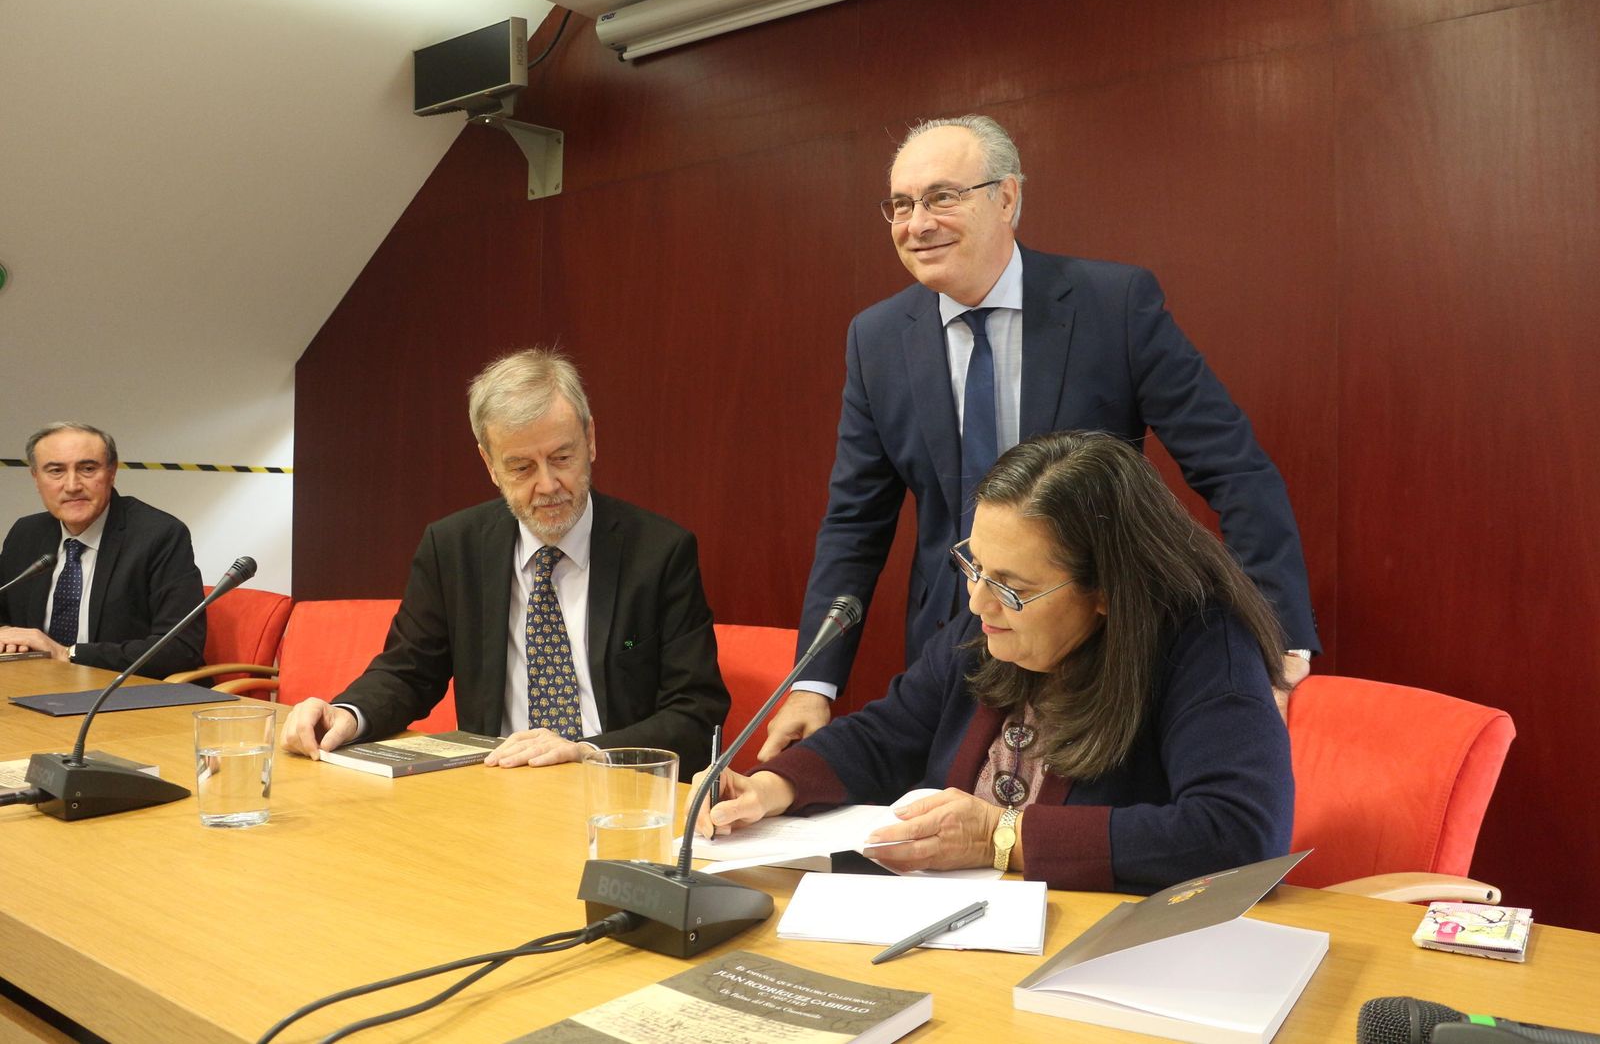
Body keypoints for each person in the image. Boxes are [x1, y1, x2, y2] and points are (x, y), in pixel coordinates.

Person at [764, 114, 1317, 760]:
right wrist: (813, 680)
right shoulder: (877, 339)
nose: (918, 223)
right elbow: (855, 522)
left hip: (1095, 647)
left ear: (1007, 197)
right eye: (902, 204)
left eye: (943, 196)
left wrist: (1276, 640)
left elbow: (1233, 468)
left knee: (1065, 839)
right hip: (952, 656)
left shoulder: (1113, 306)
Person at [704, 431, 1292, 894]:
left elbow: (1237, 831)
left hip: (1102, 955)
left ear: (1109, 589)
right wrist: (769, 788)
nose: (978, 601)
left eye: (1011, 586)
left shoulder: (1205, 647)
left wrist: (1001, 836)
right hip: (949, 921)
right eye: (973, 566)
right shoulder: (986, 617)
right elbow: (890, 733)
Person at [281, 348, 729, 775]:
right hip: (492, 788)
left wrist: (587, 752)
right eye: (521, 468)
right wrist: (345, 713)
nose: (548, 484)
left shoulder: (659, 552)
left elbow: (695, 712)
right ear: (489, 464)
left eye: (562, 457)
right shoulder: (453, 547)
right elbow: (409, 672)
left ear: (591, 440)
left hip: (610, 789)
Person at [0, 423, 204, 677]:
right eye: (56, 471)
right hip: (34, 687)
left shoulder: (159, 535)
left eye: (87, 469)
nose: (72, 485)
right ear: (36, 478)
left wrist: (67, 653)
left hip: (124, 693)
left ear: (112, 472)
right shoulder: (27, 533)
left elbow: (179, 648)